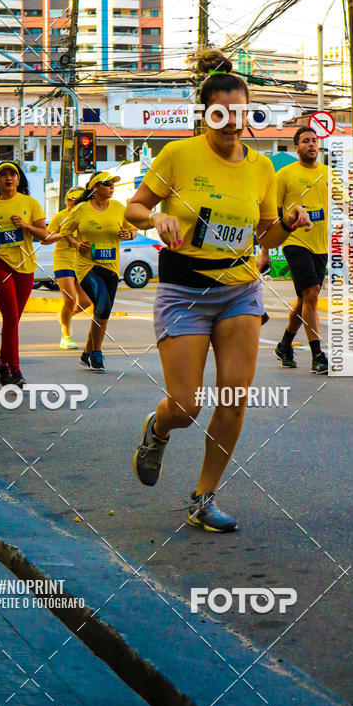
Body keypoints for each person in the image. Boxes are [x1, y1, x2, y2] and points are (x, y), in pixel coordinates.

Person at [124, 49, 311, 533]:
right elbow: (134, 208)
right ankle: (158, 428)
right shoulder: (179, 155)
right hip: (184, 290)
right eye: (220, 113)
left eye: (240, 113)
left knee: (234, 396)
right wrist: (156, 216)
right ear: (205, 114)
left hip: (239, 290)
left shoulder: (262, 168)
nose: (232, 122)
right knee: (186, 406)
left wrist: (287, 225)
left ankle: (203, 497)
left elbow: (265, 233)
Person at [258, 126, 330, 374]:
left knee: (304, 301)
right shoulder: (285, 175)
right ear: (296, 147)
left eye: (314, 140)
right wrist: (265, 250)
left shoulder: (329, 174)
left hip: (321, 245)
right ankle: (318, 355)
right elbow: (270, 217)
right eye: (306, 141)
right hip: (294, 241)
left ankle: (285, 344)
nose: (312, 144)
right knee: (311, 294)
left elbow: (347, 202)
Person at [0, 161, 48, 386]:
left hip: (25, 268)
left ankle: (2, 362)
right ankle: (15, 370)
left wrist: (26, 226)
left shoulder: (31, 203)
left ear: (18, 179)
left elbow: (44, 235)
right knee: (10, 317)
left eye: (13, 174)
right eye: (3, 175)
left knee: (14, 320)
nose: (9, 178)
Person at [60, 171, 137, 372]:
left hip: (111, 266)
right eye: (107, 184)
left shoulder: (119, 208)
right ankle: (97, 352)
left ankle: (86, 352)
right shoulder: (81, 210)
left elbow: (133, 229)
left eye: (113, 184)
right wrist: (77, 244)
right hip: (87, 266)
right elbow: (65, 231)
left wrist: (128, 234)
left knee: (104, 310)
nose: (112, 187)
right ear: (95, 187)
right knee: (102, 304)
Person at [46, 187, 92, 350]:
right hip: (63, 260)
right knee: (71, 299)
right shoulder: (60, 217)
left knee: (87, 301)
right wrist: (64, 233)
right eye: (72, 199)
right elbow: (45, 239)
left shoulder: (87, 214)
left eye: (80, 199)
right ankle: (66, 335)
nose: (75, 202)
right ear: (67, 200)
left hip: (81, 261)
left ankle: (64, 317)